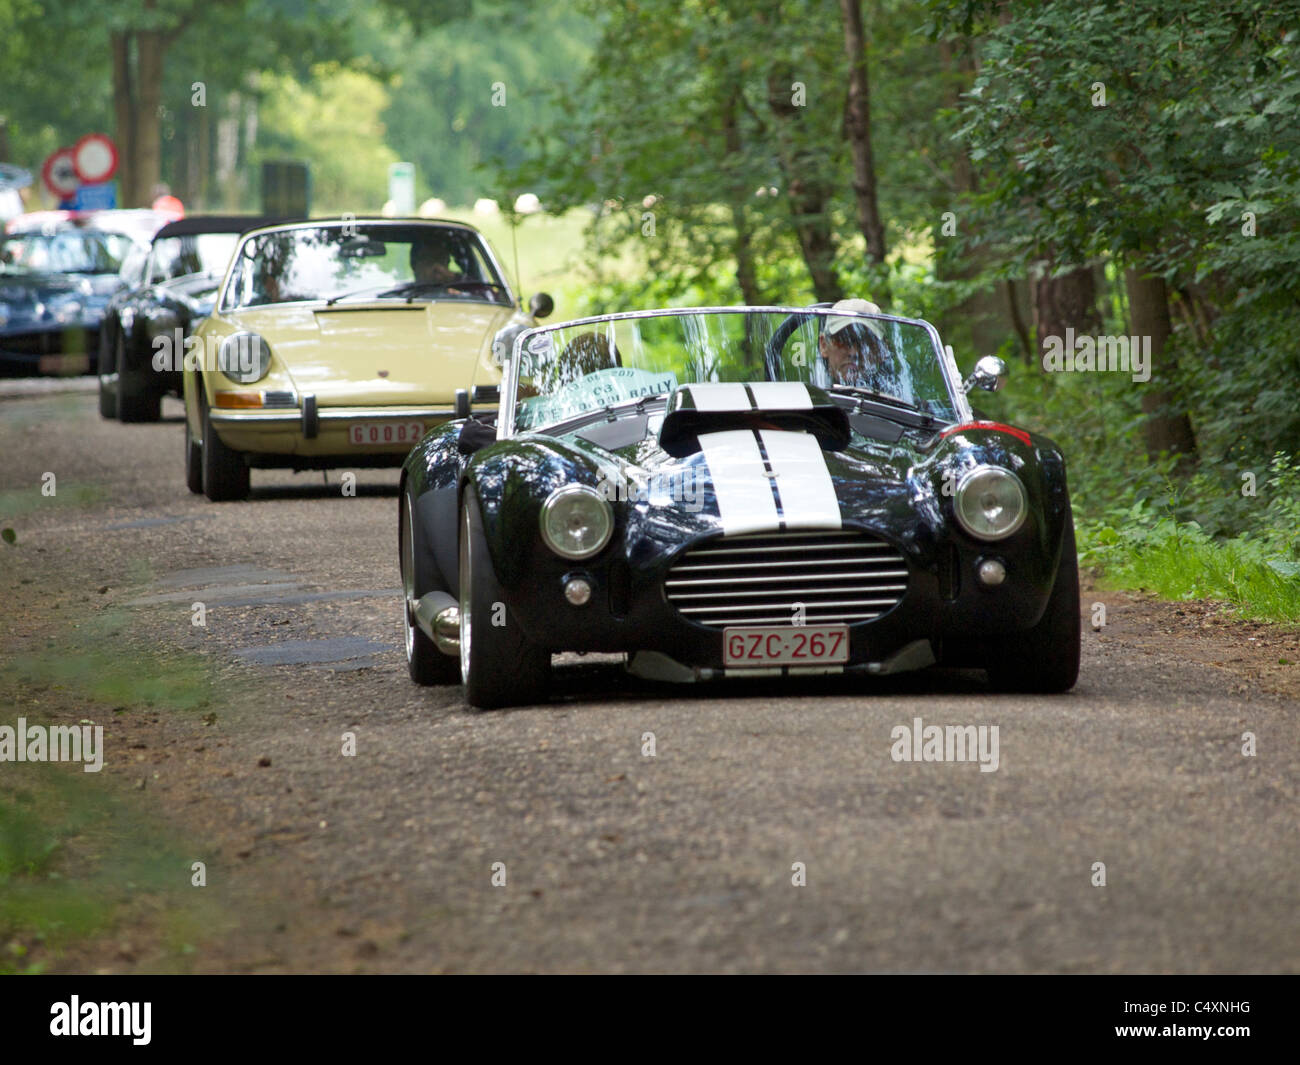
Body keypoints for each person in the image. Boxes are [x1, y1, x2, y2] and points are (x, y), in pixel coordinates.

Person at [818, 297, 894, 393]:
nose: (854, 352)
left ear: (882, 350)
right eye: (842, 340)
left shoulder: (904, 403)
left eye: (866, 342)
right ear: (824, 345)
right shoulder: (806, 401)